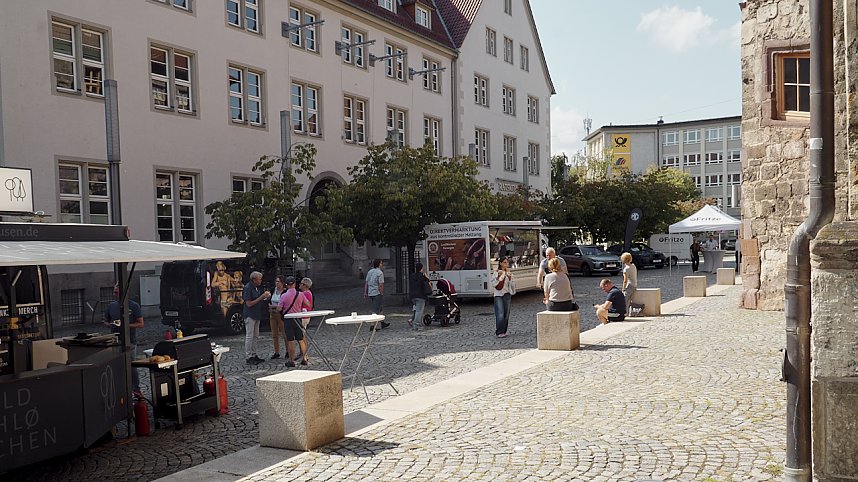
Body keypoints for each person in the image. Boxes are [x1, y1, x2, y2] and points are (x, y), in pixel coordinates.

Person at [103, 285, 144, 398]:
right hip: (115, 341)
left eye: (116, 292)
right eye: (113, 292)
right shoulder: (111, 306)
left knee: (132, 366)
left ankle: (136, 389)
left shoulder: (133, 306)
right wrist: (110, 324)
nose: (114, 294)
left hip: (130, 341)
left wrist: (126, 325)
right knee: (116, 365)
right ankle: (119, 389)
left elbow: (141, 323)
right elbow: (105, 321)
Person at [278, 276, 310, 367]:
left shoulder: (284, 296)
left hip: (288, 319)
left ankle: (291, 361)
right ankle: (304, 358)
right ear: (295, 284)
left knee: (290, 340)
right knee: (300, 339)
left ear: (286, 285)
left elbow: (279, 308)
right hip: (298, 318)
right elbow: (308, 304)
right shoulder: (300, 294)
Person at [242, 271, 270, 365]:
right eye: (259, 279)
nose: (261, 281)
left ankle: (253, 354)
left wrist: (264, 298)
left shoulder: (256, 288)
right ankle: (248, 356)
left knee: (256, 336)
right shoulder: (247, 288)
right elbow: (249, 304)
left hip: (257, 314)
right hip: (250, 315)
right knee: (249, 336)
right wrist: (261, 297)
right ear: (254, 279)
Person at [364, 259, 390, 329]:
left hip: (370, 292)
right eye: (381, 263)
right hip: (377, 292)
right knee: (375, 309)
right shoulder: (380, 273)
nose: (382, 265)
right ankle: (372, 325)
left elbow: (366, 282)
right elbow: (381, 284)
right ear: (378, 264)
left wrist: (365, 292)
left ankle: (382, 322)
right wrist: (381, 292)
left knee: (380, 307)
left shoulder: (370, 272)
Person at [492, 256, 514, 338]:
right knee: (500, 313)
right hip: (499, 295)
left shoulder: (509, 273)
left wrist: (510, 278)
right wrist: (498, 277)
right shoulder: (496, 272)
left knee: (506, 314)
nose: (506, 264)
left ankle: (504, 330)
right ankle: (499, 332)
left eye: (507, 262)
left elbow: (512, 286)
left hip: (507, 294)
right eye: (504, 262)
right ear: (500, 263)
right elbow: (494, 284)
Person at [268, 276, 287, 360]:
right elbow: (269, 300)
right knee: (274, 334)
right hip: (272, 314)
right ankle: (277, 352)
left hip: (280, 314)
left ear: (282, 283)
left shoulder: (285, 292)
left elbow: (283, 305)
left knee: (284, 333)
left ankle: (288, 351)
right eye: (276, 281)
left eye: (278, 281)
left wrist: (274, 306)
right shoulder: (273, 290)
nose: (277, 283)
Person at [409, 262, 432, 331]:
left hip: (413, 296)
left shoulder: (412, 276)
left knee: (416, 310)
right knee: (419, 311)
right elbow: (428, 284)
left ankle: (416, 323)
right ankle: (416, 325)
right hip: (421, 296)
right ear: (421, 268)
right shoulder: (423, 276)